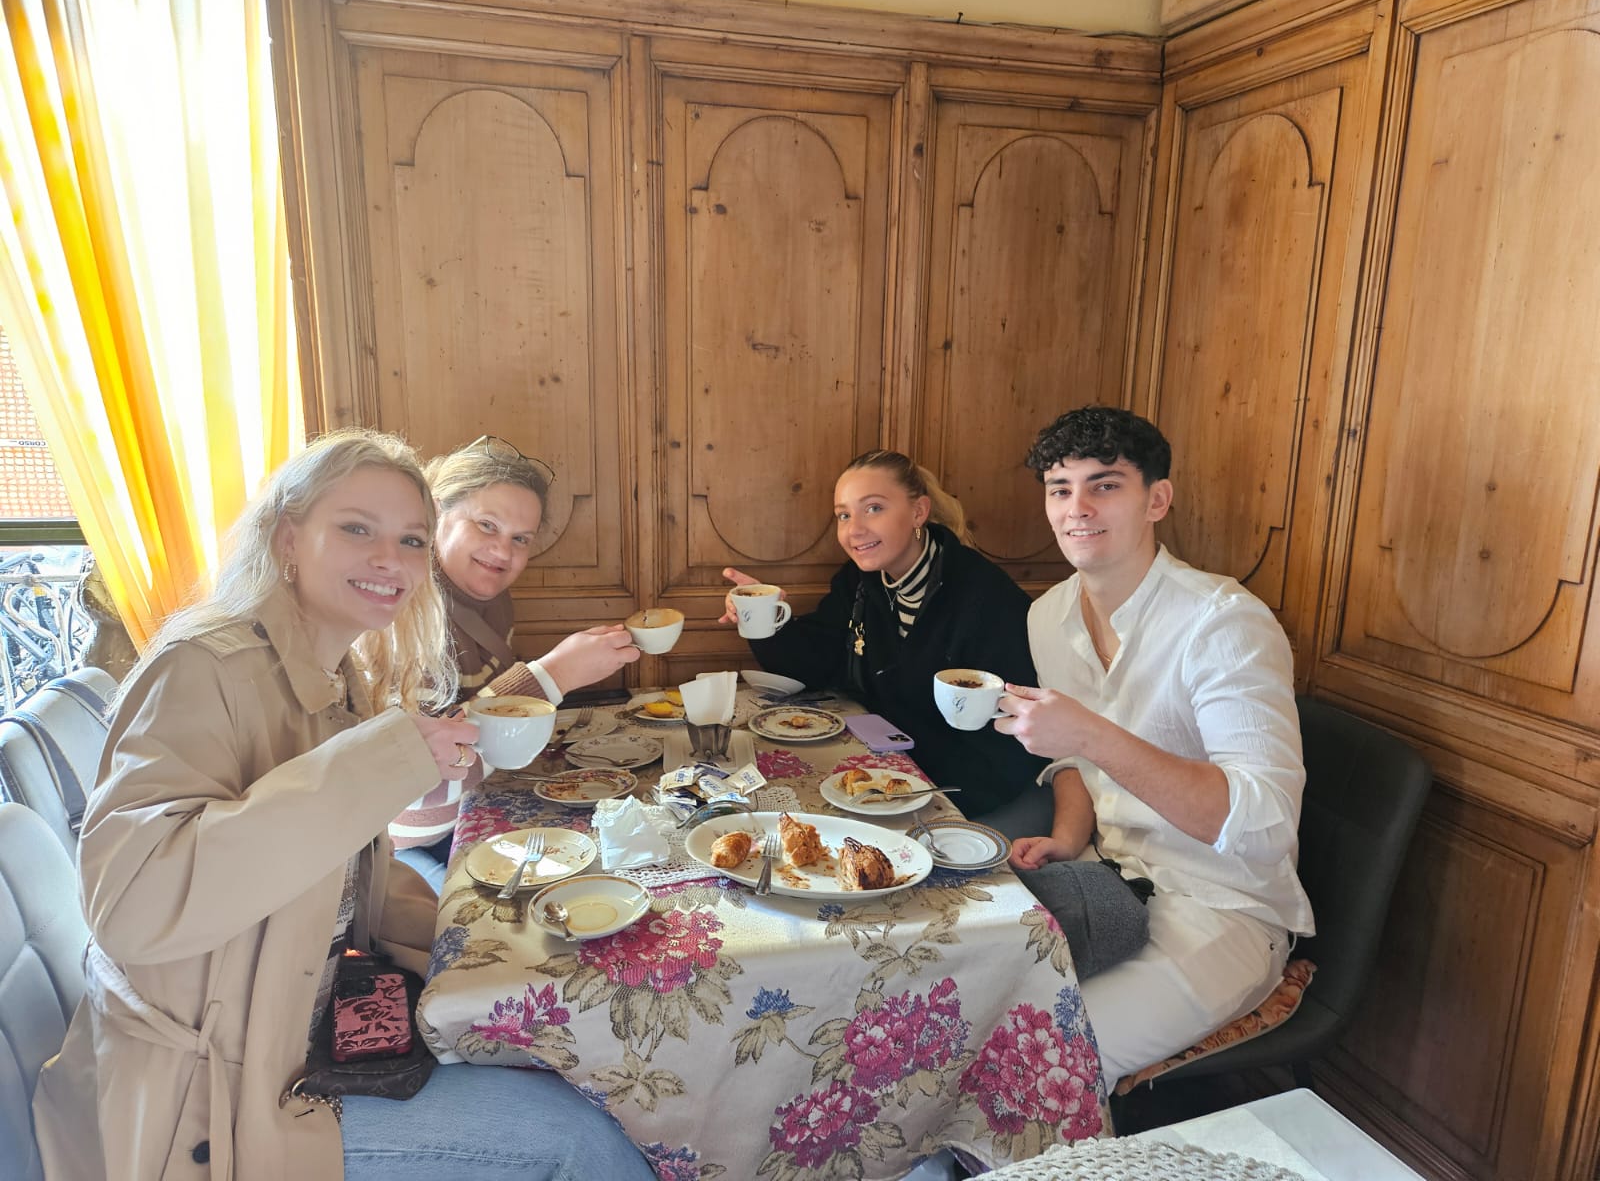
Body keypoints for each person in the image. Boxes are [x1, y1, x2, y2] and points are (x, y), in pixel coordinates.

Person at [31, 429, 655, 1181]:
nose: (390, 559)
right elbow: (133, 905)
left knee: (571, 1058)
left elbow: (354, 872)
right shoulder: (202, 668)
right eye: (357, 529)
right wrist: (373, 766)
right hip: (214, 1100)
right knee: (586, 1143)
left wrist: (492, 934)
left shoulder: (336, 674)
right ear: (288, 537)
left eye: (411, 540)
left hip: (307, 1029)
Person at [996, 406, 1315, 1091]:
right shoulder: (1047, 614)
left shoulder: (1225, 623)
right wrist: (1064, 835)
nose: (1077, 507)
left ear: (1156, 500)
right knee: (956, 1003)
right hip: (1104, 878)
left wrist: (1089, 732)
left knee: (1042, 1064)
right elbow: (1077, 764)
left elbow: (1261, 825)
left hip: (1219, 907)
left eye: (1104, 485)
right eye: (1060, 488)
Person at [722, 449, 1047, 827]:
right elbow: (815, 661)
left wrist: (904, 787)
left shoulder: (983, 597)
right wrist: (765, 618)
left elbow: (1009, 736)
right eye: (844, 515)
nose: (853, 530)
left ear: (918, 512)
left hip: (959, 789)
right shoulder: (860, 581)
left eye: (873, 508)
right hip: (883, 771)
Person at [390, 435, 639, 888]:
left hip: (477, 807)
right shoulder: (403, 613)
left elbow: (480, 719)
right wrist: (554, 675)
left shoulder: (492, 601)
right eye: (487, 525)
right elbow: (414, 797)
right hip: (414, 848)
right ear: (436, 514)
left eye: (519, 538)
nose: (503, 552)